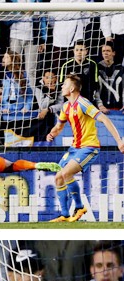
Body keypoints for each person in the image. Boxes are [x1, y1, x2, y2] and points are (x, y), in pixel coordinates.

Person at [46, 74, 124, 222]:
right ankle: (65, 215)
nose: (61, 86)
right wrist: (51, 134)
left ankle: (80, 206)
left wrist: (119, 141)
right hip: (74, 148)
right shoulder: (66, 107)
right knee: (58, 177)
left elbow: (105, 119)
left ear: (72, 88)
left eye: (64, 84)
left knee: (66, 173)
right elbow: (59, 127)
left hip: (89, 147)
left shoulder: (83, 103)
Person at [59, 40, 100, 105]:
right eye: (77, 50)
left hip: (87, 99)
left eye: (81, 50)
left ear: (86, 51)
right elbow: (61, 84)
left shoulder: (92, 64)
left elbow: (95, 85)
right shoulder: (66, 65)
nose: (79, 52)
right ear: (73, 51)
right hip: (70, 100)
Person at [97, 42, 124, 113]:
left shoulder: (121, 68)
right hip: (101, 109)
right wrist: (99, 105)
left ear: (113, 53)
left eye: (108, 51)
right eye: (103, 51)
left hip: (119, 108)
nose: (105, 53)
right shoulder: (96, 68)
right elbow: (94, 89)